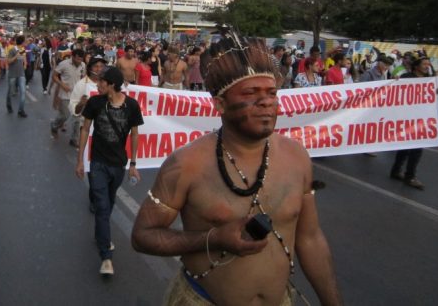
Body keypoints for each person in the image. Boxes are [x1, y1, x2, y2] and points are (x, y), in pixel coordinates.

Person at [130, 40, 342, 306]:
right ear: (220, 105)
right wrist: (214, 238)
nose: (266, 102)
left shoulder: (296, 157)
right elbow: (143, 236)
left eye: (272, 93)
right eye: (251, 93)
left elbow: (310, 239)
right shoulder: (186, 164)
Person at [76, 67, 144, 276]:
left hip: (118, 165)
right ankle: (106, 256)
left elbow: (134, 134)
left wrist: (133, 164)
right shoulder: (95, 103)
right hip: (97, 164)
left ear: (112, 84)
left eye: (101, 82)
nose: (97, 84)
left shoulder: (131, 106)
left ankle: (101, 235)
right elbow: (85, 129)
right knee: (102, 207)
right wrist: (80, 160)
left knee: (110, 202)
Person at [389, 56, 432, 190]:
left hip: (420, 118)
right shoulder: (407, 77)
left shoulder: (429, 79)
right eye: (424, 64)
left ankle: (396, 171)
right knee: (414, 148)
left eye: (428, 64)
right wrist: (395, 82)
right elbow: (396, 91)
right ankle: (410, 176)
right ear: (416, 66)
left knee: (409, 147)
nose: (427, 66)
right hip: (407, 118)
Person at [51, 49, 86, 147]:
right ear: (73, 56)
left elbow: (83, 78)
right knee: (64, 116)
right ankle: (54, 125)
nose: (80, 61)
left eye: (81, 59)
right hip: (65, 95)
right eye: (78, 58)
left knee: (77, 119)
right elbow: (54, 76)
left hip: (77, 95)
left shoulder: (83, 65)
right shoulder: (64, 64)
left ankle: (74, 140)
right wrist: (62, 85)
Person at [6, 35, 28, 118]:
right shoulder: (12, 50)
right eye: (25, 41)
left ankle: (20, 110)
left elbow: (24, 58)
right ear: (22, 42)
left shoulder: (23, 49)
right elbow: (8, 61)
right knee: (10, 92)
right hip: (12, 74)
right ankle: (9, 105)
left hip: (21, 74)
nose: (26, 42)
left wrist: (25, 64)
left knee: (23, 92)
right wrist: (16, 56)